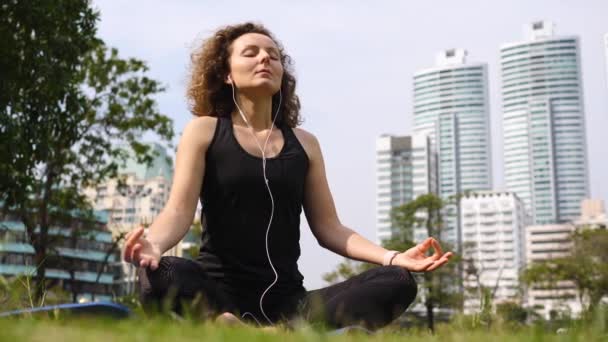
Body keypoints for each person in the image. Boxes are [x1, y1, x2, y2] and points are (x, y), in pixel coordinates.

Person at [122, 22, 453, 330]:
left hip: (291, 304)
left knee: (397, 281)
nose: (265, 57)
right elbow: (178, 212)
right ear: (226, 74)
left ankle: (275, 334)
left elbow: (329, 229)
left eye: (274, 55)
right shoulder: (204, 131)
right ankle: (230, 323)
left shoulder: (305, 144)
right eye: (251, 52)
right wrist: (154, 244)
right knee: (159, 272)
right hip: (218, 295)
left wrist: (393, 256)